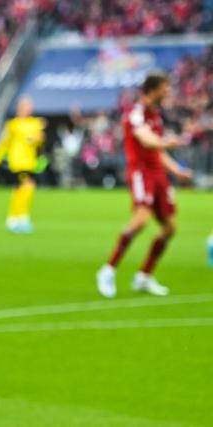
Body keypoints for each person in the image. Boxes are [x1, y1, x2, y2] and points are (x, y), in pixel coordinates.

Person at [96, 73, 193, 298]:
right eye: (165, 88)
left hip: (158, 174)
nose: (168, 92)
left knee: (170, 227)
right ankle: (108, 269)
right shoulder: (136, 113)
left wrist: (177, 171)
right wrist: (165, 142)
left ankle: (144, 276)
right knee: (141, 220)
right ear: (152, 89)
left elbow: (157, 150)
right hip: (141, 172)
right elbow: (145, 139)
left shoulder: (156, 115)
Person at [0, 96, 46, 234]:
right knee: (27, 187)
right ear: (20, 108)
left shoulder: (35, 123)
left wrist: (40, 138)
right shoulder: (12, 125)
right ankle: (18, 218)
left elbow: (39, 142)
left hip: (30, 162)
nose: (28, 109)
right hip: (18, 162)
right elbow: (3, 144)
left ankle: (17, 218)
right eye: (25, 107)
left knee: (22, 189)